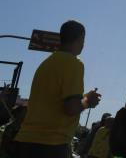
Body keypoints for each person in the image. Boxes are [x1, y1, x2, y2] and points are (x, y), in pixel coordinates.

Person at [14, 20, 101, 158]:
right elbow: (71, 108)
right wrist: (88, 101)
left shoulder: (46, 64)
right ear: (80, 38)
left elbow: (53, 102)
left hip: (24, 141)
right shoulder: (74, 63)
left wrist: (83, 97)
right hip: (51, 145)